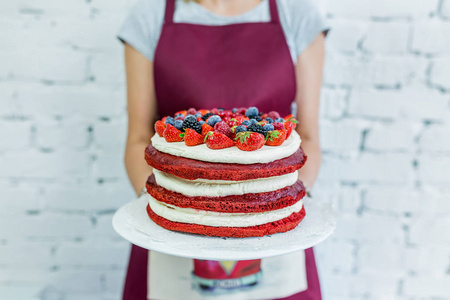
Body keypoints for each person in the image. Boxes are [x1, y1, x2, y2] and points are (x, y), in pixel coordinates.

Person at [118, 0, 328, 299]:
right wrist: (174, 210)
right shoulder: (150, 16)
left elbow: (307, 137)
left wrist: (274, 205)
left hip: (273, 226)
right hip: (174, 228)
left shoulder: (295, 14)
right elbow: (139, 139)